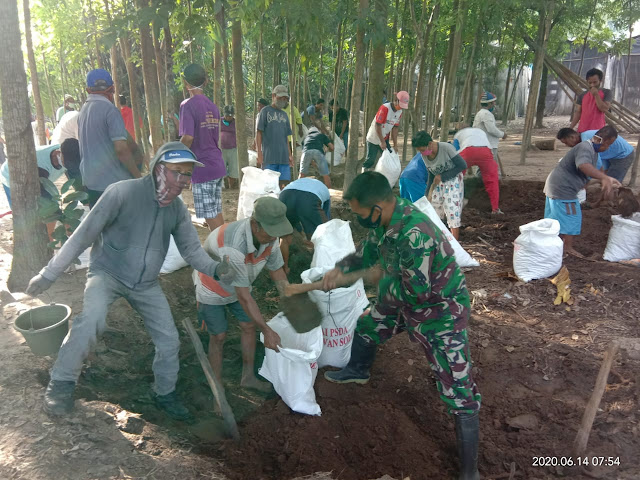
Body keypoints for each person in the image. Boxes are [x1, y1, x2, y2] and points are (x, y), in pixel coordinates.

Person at [25, 142, 238, 421]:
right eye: (178, 173)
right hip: (107, 274)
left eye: (187, 175)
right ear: (158, 169)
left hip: (146, 285)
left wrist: (216, 269)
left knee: (169, 341)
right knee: (92, 320)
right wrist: (49, 273)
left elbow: (191, 251)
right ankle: (61, 383)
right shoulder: (122, 193)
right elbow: (84, 234)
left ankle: (164, 393)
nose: (184, 181)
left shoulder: (176, 210)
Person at [322, 171, 481, 480]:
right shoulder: (385, 221)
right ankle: (357, 371)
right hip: (402, 297)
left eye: (360, 213)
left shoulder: (415, 232)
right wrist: (341, 268)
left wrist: (377, 279)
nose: (358, 219)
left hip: (439, 311)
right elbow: (367, 252)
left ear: (379, 206)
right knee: (368, 324)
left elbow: (416, 292)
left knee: (459, 389)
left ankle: (469, 471)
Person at [193, 197, 291, 389]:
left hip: (240, 283)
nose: (273, 237)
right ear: (255, 225)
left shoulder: (269, 239)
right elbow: (244, 297)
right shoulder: (234, 245)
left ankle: (247, 378)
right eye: (271, 232)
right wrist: (267, 330)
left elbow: (277, 272)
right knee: (219, 336)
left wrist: (290, 302)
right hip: (212, 287)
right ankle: (217, 388)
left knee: (248, 325)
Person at [543, 126, 620, 257]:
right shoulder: (586, 147)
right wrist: (603, 177)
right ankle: (567, 248)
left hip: (556, 186)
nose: (608, 148)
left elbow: (584, 178)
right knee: (572, 217)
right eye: (608, 144)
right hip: (563, 189)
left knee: (555, 219)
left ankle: (553, 245)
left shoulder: (591, 152)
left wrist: (605, 180)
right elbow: (583, 166)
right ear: (600, 139)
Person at [78, 69, 142, 208]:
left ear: (88, 90)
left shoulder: (83, 111)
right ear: (112, 88)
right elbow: (121, 149)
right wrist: (138, 177)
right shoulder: (110, 110)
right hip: (112, 184)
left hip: (91, 183)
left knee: (102, 226)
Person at [179, 63, 226, 231]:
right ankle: (226, 246)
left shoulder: (187, 105)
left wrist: (176, 155)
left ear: (186, 83)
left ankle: (223, 252)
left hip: (202, 167)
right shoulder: (213, 107)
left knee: (210, 214)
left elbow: (188, 137)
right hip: (217, 164)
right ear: (205, 81)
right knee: (216, 211)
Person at [412, 131, 467, 239]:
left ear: (430, 143)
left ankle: (454, 244)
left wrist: (443, 176)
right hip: (438, 183)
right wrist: (427, 193)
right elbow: (431, 174)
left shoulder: (446, 148)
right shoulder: (425, 155)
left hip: (453, 181)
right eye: (419, 151)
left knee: (452, 211)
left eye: (422, 150)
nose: (422, 153)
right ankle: (438, 239)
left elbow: (462, 165)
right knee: (435, 209)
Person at [279, 177, 331, 272]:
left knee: (284, 237)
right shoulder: (325, 191)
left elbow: (294, 216)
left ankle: (284, 269)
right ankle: (320, 269)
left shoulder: (297, 183)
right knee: (321, 236)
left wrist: (300, 231)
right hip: (309, 198)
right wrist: (310, 235)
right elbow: (325, 224)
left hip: (285, 196)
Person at [556, 127, 635, 184]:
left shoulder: (586, 141)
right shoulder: (585, 140)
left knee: (612, 181)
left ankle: (609, 203)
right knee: (604, 178)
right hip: (609, 155)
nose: (567, 145)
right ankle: (602, 200)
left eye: (566, 142)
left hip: (623, 155)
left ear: (572, 137)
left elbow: (596, 162)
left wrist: (596, 178)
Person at [1, 144, 65, 210]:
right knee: (23, 211)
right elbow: (43, 193)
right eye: (64, 163)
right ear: (57, 153)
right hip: (10, 175)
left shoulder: (68, 151)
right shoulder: (39, 166)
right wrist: (56, 212)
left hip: (39, 177)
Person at [454, 128, 502, 214]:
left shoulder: (458, 134)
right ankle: (495, 209)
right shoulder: (481, 131)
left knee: (456, 178)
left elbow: (454, 152)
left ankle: (455, 204)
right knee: (492, 180)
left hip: (467, 151)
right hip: (485, 152)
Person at [256, 85, 293, 188]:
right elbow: (259, 132)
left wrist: (290, 155)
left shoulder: (285, 115)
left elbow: (286, 137)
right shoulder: (265, 111)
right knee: (269, 186)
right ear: (273, 96)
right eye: (280, 98)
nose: (283, 100)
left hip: (283, 157)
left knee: (283, 185)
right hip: (269, 157)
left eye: (285, 98)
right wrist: (259, 153)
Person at [363, 91, 410, 170]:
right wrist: (382, 142)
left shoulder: (399, 112)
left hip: (384, 137)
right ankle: (363, 173)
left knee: (389, 157)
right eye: (400, 105)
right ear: (396, 101)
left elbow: (395, 128)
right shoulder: (385, 108)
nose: (401, 108)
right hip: (374, 136)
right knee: (370, 160)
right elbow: (377, 125)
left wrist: (395, 144)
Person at [569, 68, 612, 133]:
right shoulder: (582, 95)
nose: (592, 85)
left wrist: (596, 95)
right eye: (590, 82)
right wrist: (570, 128)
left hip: (598, 131)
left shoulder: (606, 92)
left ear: (600, 81)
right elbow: (578, 112)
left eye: (595, 82)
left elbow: (604, 108)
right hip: (582, 130)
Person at [472, 92, 506, 166]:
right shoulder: (486, 114)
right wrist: (502, 134)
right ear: (489, 104)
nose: (494, 104)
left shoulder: (480, 113)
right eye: (493, 102)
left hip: (481, 144)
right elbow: (491, 129)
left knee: (482, 168)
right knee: (490, 168)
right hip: (488, 145)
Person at [220, 105, 238, 189]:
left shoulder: (236, 123)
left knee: (233, 167)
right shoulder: (219, 121)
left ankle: (233, 185)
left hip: (233, 148)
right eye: (227, 115)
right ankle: (224, 182)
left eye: (231, 116)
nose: (229, 117)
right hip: (221, 148)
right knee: (221, 165)